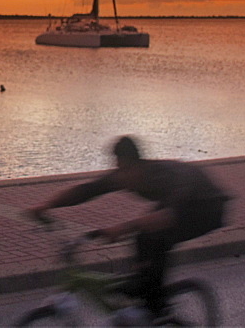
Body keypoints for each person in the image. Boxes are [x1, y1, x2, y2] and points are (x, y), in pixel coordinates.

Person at [28, 136, 230, 319]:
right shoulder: (126, 174)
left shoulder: (167, 176)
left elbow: (168, 217)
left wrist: (121, 229)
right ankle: (146, 292)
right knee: (144, 237)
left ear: (136, 165)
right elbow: (87, 190)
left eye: (124, 170)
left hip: (208, 206)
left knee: (153, 235)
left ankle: (155, 305)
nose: (120, 177)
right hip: (176, 206)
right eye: (118, 169)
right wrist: (46, 205)